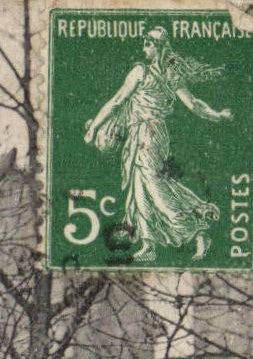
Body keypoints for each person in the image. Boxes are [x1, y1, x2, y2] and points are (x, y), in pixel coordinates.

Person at [84, 26, 232, 263]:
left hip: (149, 135)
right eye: (145, 39)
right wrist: (217, 115)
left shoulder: (146, 72)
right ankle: (149, 244)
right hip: (143, 134)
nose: (145, 43)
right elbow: (121, 102)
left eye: (150, 41)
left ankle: (196, 230)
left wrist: (93, 128)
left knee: (155, 187)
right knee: (140, 188)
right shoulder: (158, 72)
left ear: (161, 46)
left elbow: (118, 101)